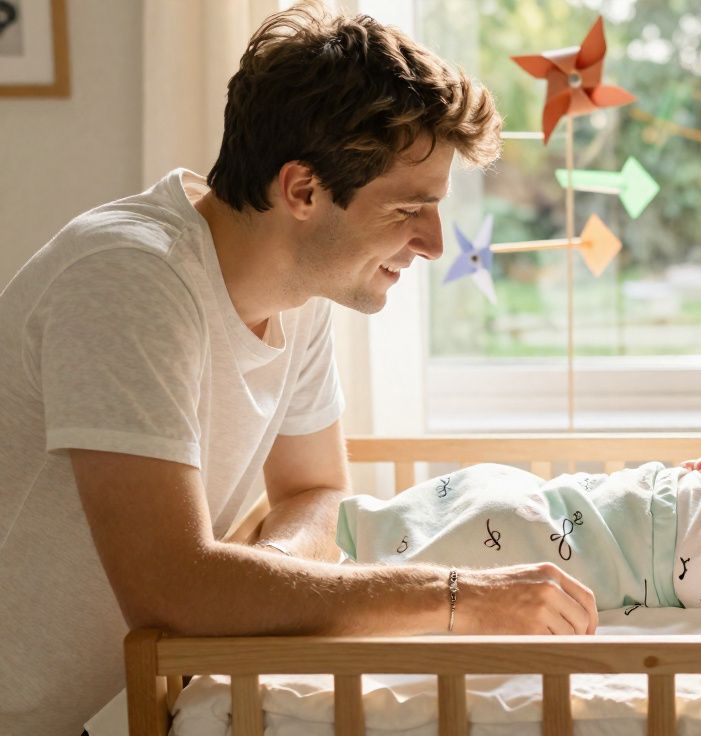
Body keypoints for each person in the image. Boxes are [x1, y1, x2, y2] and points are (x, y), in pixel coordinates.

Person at [0, 7, 599, 736]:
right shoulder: (130, 278)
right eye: (411, 207)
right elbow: (173, 589)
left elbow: (316, 489)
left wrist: (270, 581)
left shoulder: (300, 292)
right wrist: (457, 596)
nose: (437, 243)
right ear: (303, 192)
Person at [339, 456, 701, 612]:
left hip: (582, 548)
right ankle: (374, 529)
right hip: (579, 507)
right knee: (489, 487)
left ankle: (373, 559)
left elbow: (699, 580)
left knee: (496, 518)